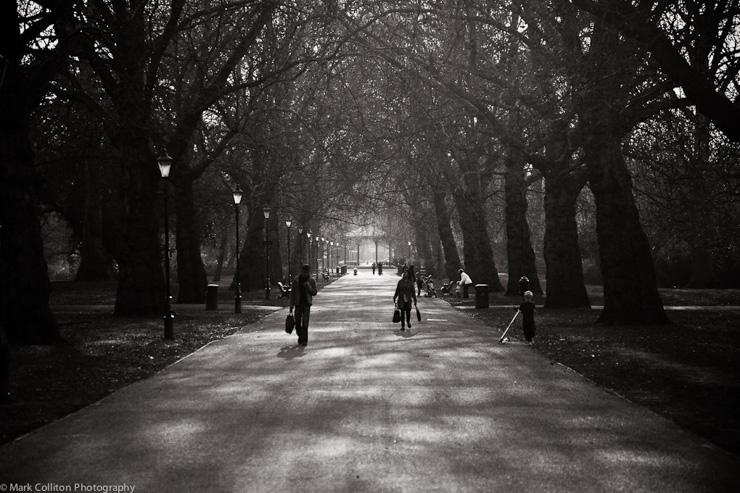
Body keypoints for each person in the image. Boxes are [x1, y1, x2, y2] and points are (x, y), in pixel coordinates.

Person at [289, 264, 318, 346]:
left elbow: (314, 292)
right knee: (297, 323)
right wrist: (291, 306)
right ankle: (300, 336)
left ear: (308, 271)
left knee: (305, 323)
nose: (305, 272)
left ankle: (304, 340)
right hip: (298, 304)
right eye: (303, 271)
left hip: (306, 305)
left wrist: (308, 287)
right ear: (301, 271)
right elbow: (292, 294)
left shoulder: (311, 280)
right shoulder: (296, 280)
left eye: (306, 271)